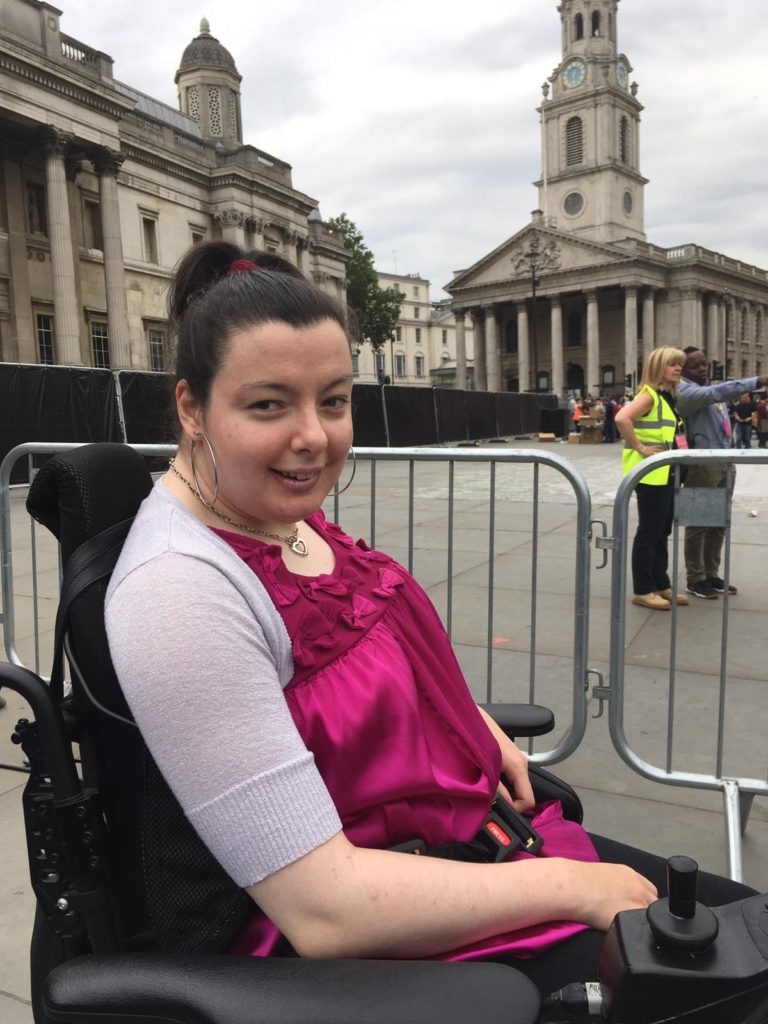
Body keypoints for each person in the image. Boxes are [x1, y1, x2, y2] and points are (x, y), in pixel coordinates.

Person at [104, 243, 754, 997]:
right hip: (385, 951)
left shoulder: (275, 512)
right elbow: (323, 909)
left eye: (336, 400)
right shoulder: (179, 592)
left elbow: (364, 642)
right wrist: (578, 888)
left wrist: (469, 718)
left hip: (466, 845)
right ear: (191, 407)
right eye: (268, 404)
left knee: (743, 928)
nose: (314, 436)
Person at [677, 350, 768, 599]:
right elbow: (717, 393)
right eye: (696, 367)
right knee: (698, 521)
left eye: (705, 365)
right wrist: (757, 381)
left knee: (718, 522)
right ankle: (695, 578)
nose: (704, 370)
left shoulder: (706, 389)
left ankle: (711, 574)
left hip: (724, 461)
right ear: (683, 369)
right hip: (702, 463)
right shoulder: (685, 392)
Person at [614, 347, 689, 611]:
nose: (678, 368)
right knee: (650, 532)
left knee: (662, 530)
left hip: (665, 472)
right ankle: (643, 589)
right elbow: (622, 418)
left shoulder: (668, 397)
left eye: (679, 364)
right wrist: (641, 448)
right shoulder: (649, 396)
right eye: (672, 364)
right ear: (658, 368)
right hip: (651, 474)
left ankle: (660, 583)